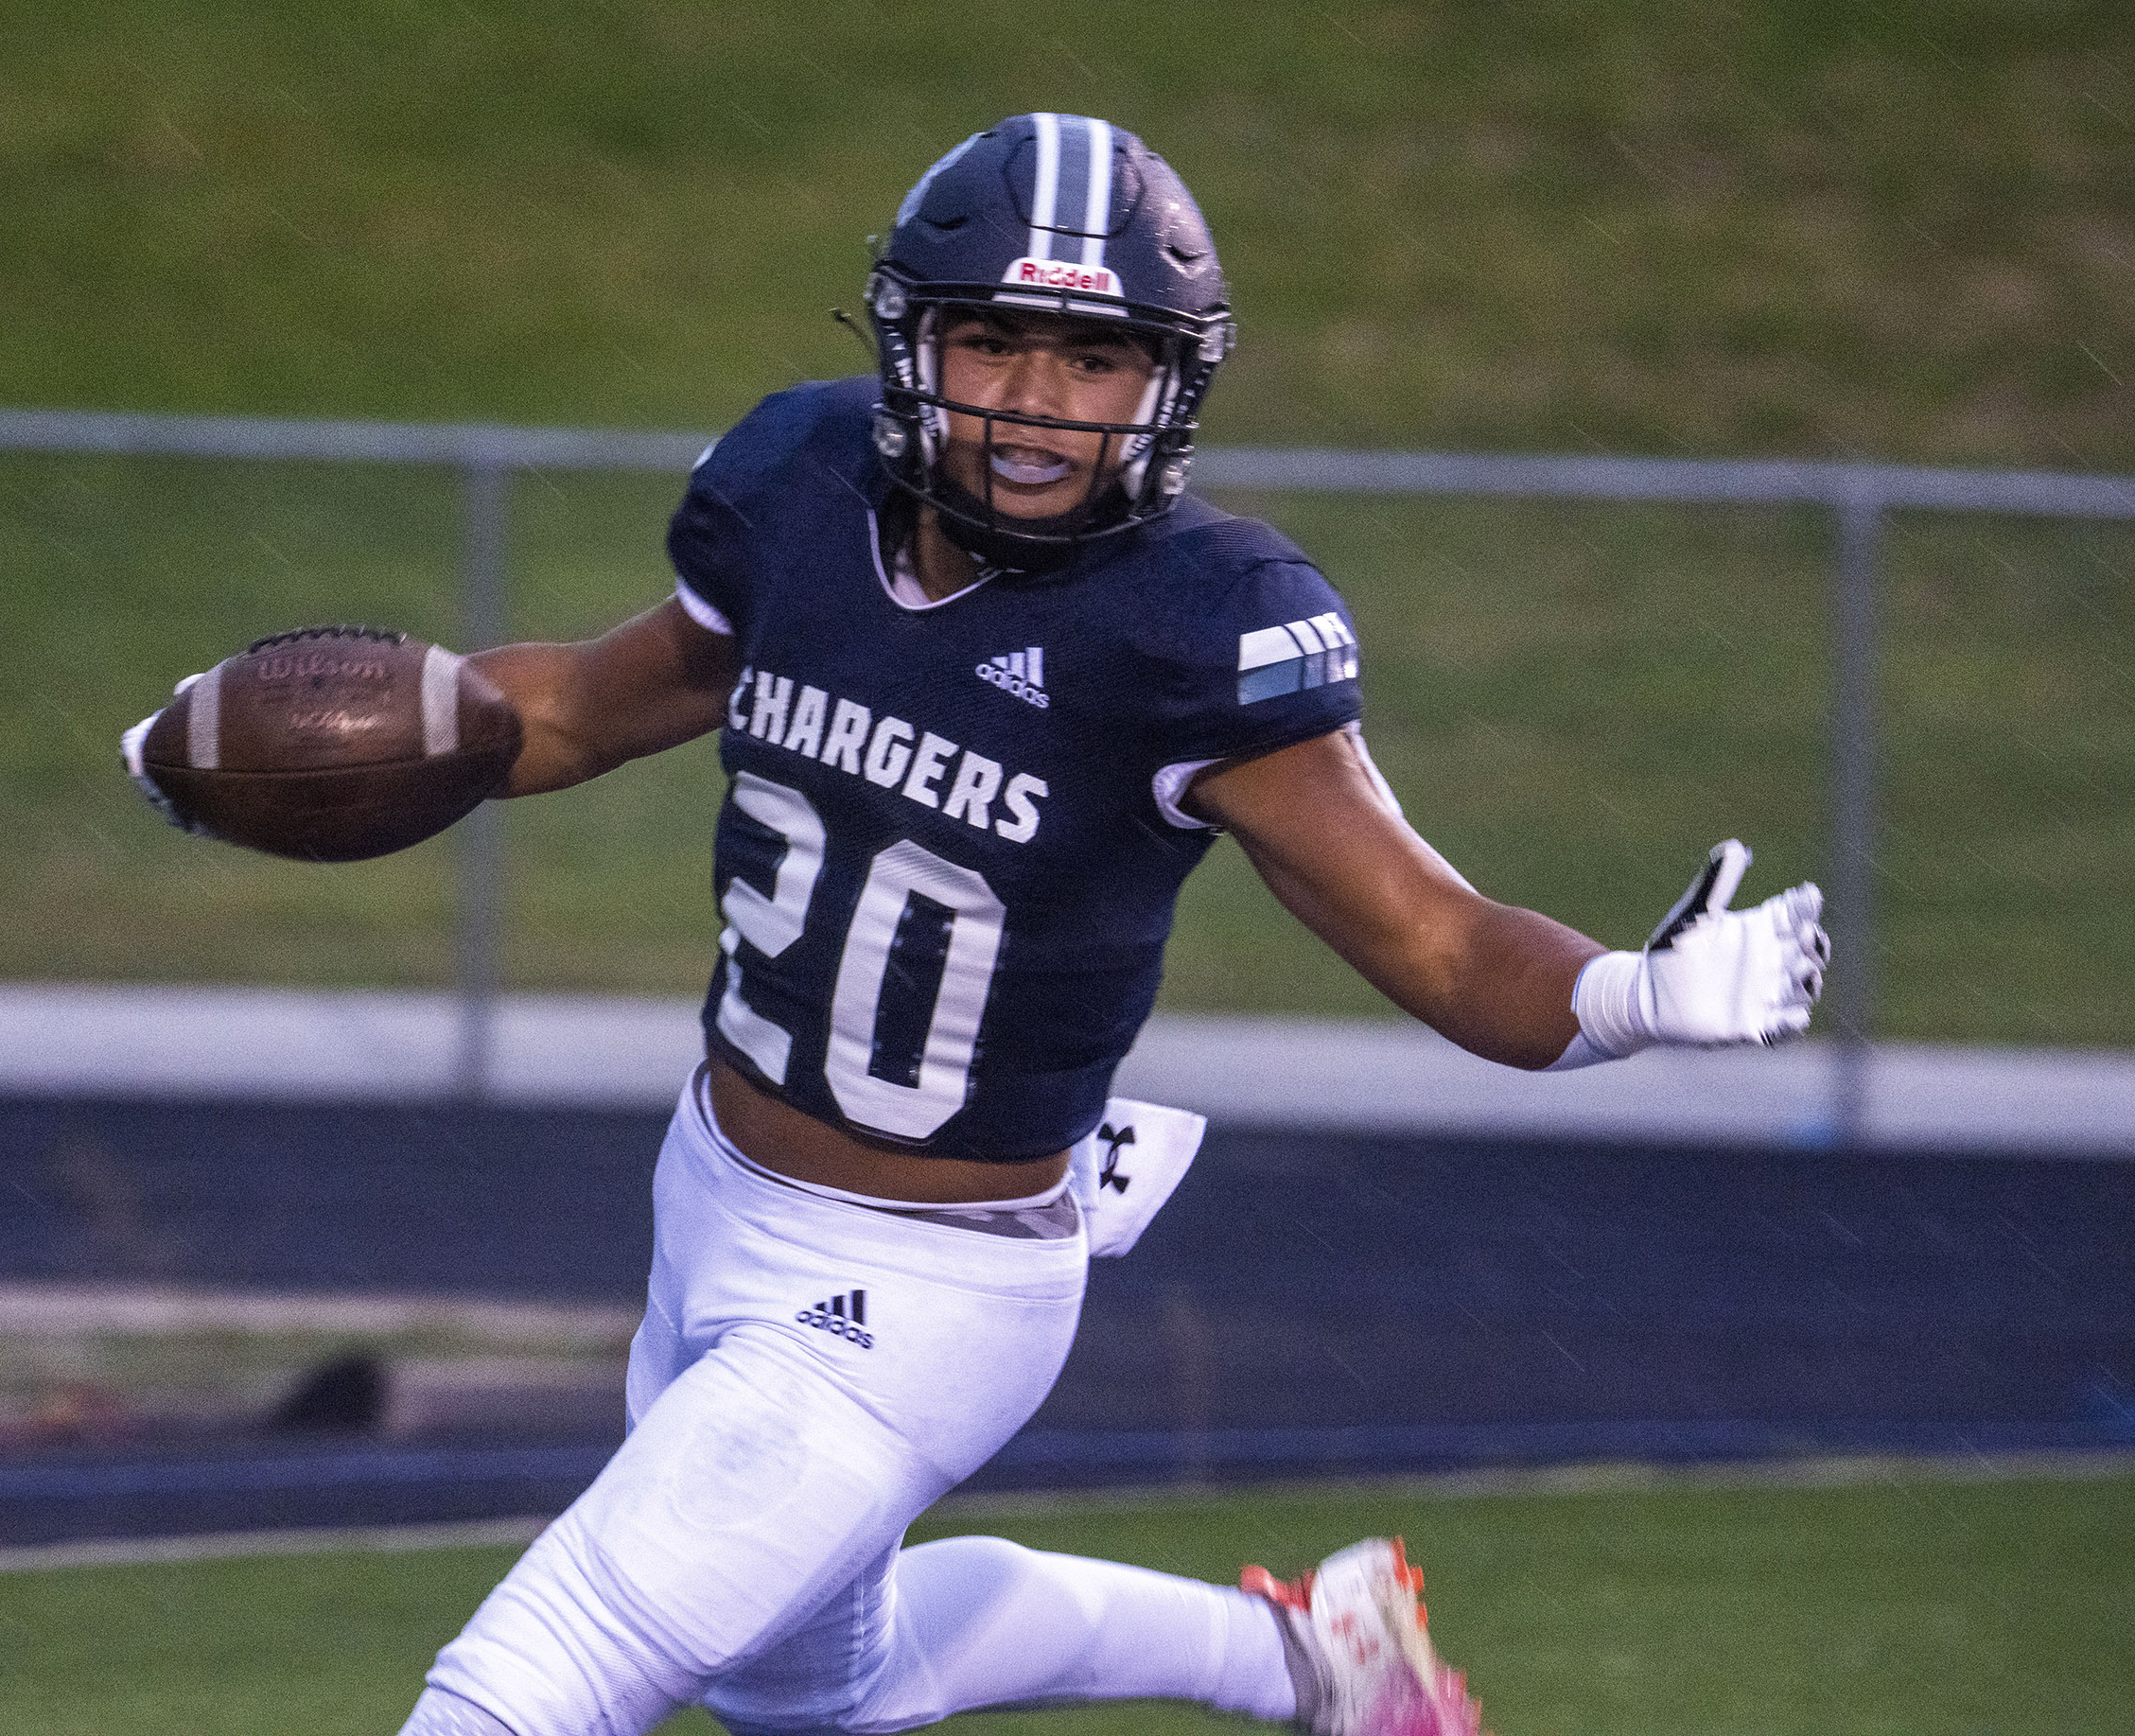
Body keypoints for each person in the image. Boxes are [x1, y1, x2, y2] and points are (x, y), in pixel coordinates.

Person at [394, 114, 1828, 1736]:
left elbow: (1440, 941)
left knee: (528, 1679)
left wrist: (1633, 995)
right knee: (807, 1690)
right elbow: (581, 705)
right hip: (713, 1189)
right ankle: (1309, 1661)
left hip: (929, 1282)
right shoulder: (799, 488)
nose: (1033, 401)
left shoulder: (1199, 625)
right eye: (992, 342)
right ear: (909, 342)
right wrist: (278, 747)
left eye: (1092, 357)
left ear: (1168, 380)